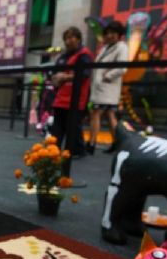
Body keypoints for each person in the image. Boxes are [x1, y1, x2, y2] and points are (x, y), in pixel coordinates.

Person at [51, 27, 94, 157]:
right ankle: (54, 149)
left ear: (79, 39)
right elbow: (54, 74)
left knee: (73, 126)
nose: (68, 41)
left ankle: (77, 151)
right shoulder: (63, 57)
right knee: (58, 127)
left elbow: (84, 74)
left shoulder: (84, 55)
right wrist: (56, 79)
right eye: (66, 39)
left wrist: (64, 77)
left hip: (76, 98)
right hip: (60, 97)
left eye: (71, 38)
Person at [89, 20, 128, 154]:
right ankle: (117, 143)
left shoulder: (122, 47)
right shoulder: (105, 48)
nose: (110, 35)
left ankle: (92, 143)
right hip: (102, 87)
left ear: (119, 34)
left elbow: (122, 68)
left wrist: (108, 76)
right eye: (108, 33)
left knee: (96, 113)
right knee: (110, 115)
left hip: (107, 87)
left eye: (113, 33)